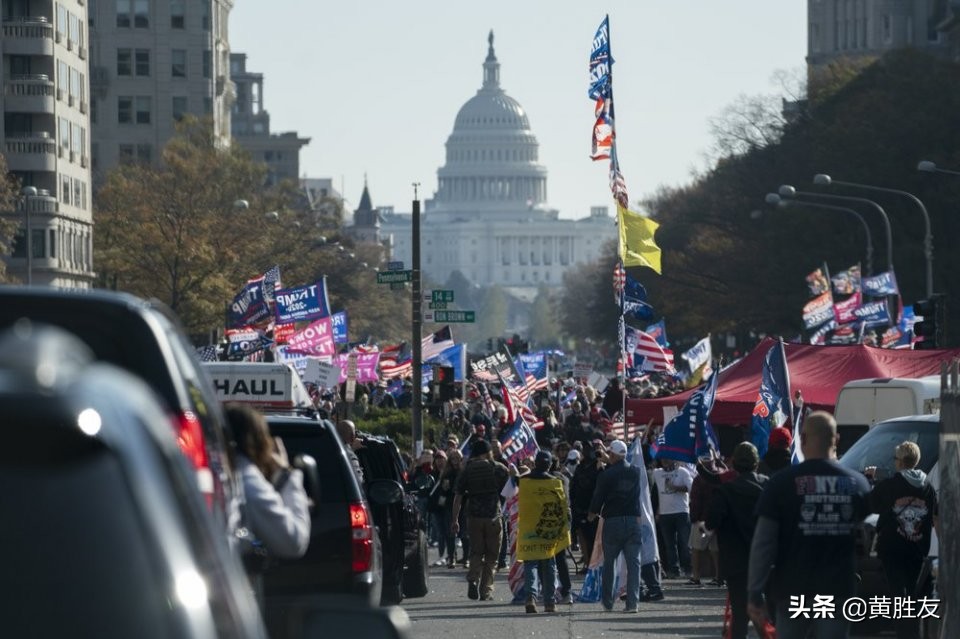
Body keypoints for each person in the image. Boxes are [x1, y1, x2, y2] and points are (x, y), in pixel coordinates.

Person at [747, 411, 871, 639]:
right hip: (837, 588)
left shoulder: (780, 485)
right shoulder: (858, 484)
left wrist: (755, 590)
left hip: (793, 589)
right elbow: (865, 537)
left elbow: (764, 543)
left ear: (802, 439)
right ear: (837, 440)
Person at [864, 441, 937, 639]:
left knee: (898, 596)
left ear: (900, 461)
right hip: (918, 548)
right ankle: (913, 632)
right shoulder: (928, 487)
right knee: (912, 596)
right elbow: (935, 517)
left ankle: (906, 634)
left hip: (892, 549)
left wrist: (872, 480)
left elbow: (871, 504)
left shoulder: (890, 485)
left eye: (895, 459)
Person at [226, 404, 311, 559]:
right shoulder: (247, 481)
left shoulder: (215, 472)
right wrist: (286, 475)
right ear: (258, 441)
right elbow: (294, 541)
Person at [706, 442, 768, 639]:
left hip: (736, 562)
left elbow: (711, 522)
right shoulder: (769, 486)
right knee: (769, 612)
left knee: (740, 614)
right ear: (756, 463)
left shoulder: (725, 491)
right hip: (767, 559)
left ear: (734, 464)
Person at [588, 439, 644, 613]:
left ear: (612, 455)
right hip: (633, 520)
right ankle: (632, 604)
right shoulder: (636, 471)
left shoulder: (606, 474)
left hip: (613, 521)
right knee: (634, 564)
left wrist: (592, 513)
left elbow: (599, 496)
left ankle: (608, 602)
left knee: (610, 563)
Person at [451, 439, 510, 601]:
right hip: (493, 515)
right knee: (492, 555)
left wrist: (455, 519)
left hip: (473, 516)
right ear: (486, 452)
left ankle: (473, 578)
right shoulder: (497, 468)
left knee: (476, 551)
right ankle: (486, 591)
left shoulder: (467, 470)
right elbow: (512, 487)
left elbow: (458, 497)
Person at [520, 451, 563, 613]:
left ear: (535, 463)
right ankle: (550, 602)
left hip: (528, 528)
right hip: (548, 528)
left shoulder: (524, 481)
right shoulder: (555, 482)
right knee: (549, 564)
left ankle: (531, 597)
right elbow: (563, 507)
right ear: (550, 465)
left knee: (531, 563)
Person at [652, 458, 694, 579]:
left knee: (684, 542)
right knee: (669, 545)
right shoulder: (657, 472)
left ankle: (688, 568)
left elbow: (691, 488)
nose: (664, 460)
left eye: (668, 457)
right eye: (663, 457)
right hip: (665, 514)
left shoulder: (683, 472)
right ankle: (673, 570)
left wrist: (676, 487)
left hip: (681, 512)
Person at [336, 419, 365, 487]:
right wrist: (352, 450)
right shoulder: (350, 455)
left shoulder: (325, 448)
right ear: (352, 437)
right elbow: (358, 480)